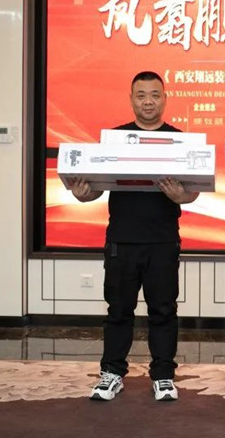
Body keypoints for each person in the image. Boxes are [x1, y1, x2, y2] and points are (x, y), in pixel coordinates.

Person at [70, 71, 198, 402]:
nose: (148, 101)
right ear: (131, 100)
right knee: (118, 310)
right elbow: (94, 189)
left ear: (165, 98)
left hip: (163, 240)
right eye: (141, 95)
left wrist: (180, 196)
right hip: (122, 240)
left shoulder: (180, 140)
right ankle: (112, 374)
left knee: (163, 310)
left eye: (154, 94)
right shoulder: (115, 139)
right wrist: (83, 194)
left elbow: (192, 193)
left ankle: (164, 376)